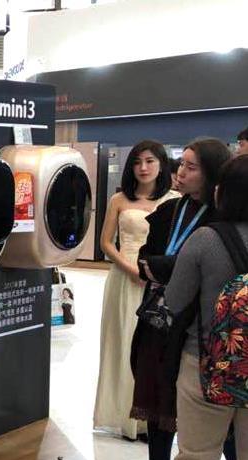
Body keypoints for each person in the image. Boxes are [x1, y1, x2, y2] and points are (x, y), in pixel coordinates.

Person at [118, 138, 235, 460]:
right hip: (159, 318)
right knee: (156, 396)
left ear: (212, 173)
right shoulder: (170, 211)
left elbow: (183, 268)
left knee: (215, 411)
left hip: (201, 328)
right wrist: (165, 266)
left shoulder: (222, 221)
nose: (180, 172)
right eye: (180, 164)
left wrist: (166, 267)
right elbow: (145, 260)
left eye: (191, 166)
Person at [167, 154, 248, 460]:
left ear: (222, 192)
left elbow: (175, 300)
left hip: (204, 365)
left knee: (196, 459)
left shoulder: (204, 239)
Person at [94, 141, 174, 440]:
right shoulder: (119, 199)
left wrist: (153, 272)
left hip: (160, 280)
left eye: (150, 161)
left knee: (153, 350)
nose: (143, 167)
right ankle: (124, 417)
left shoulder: (174, 200)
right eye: (138, 162)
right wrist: (132, 270)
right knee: (123, 342)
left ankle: (149, 418)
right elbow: (105, 243)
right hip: (124, 277)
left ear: (162, 164)